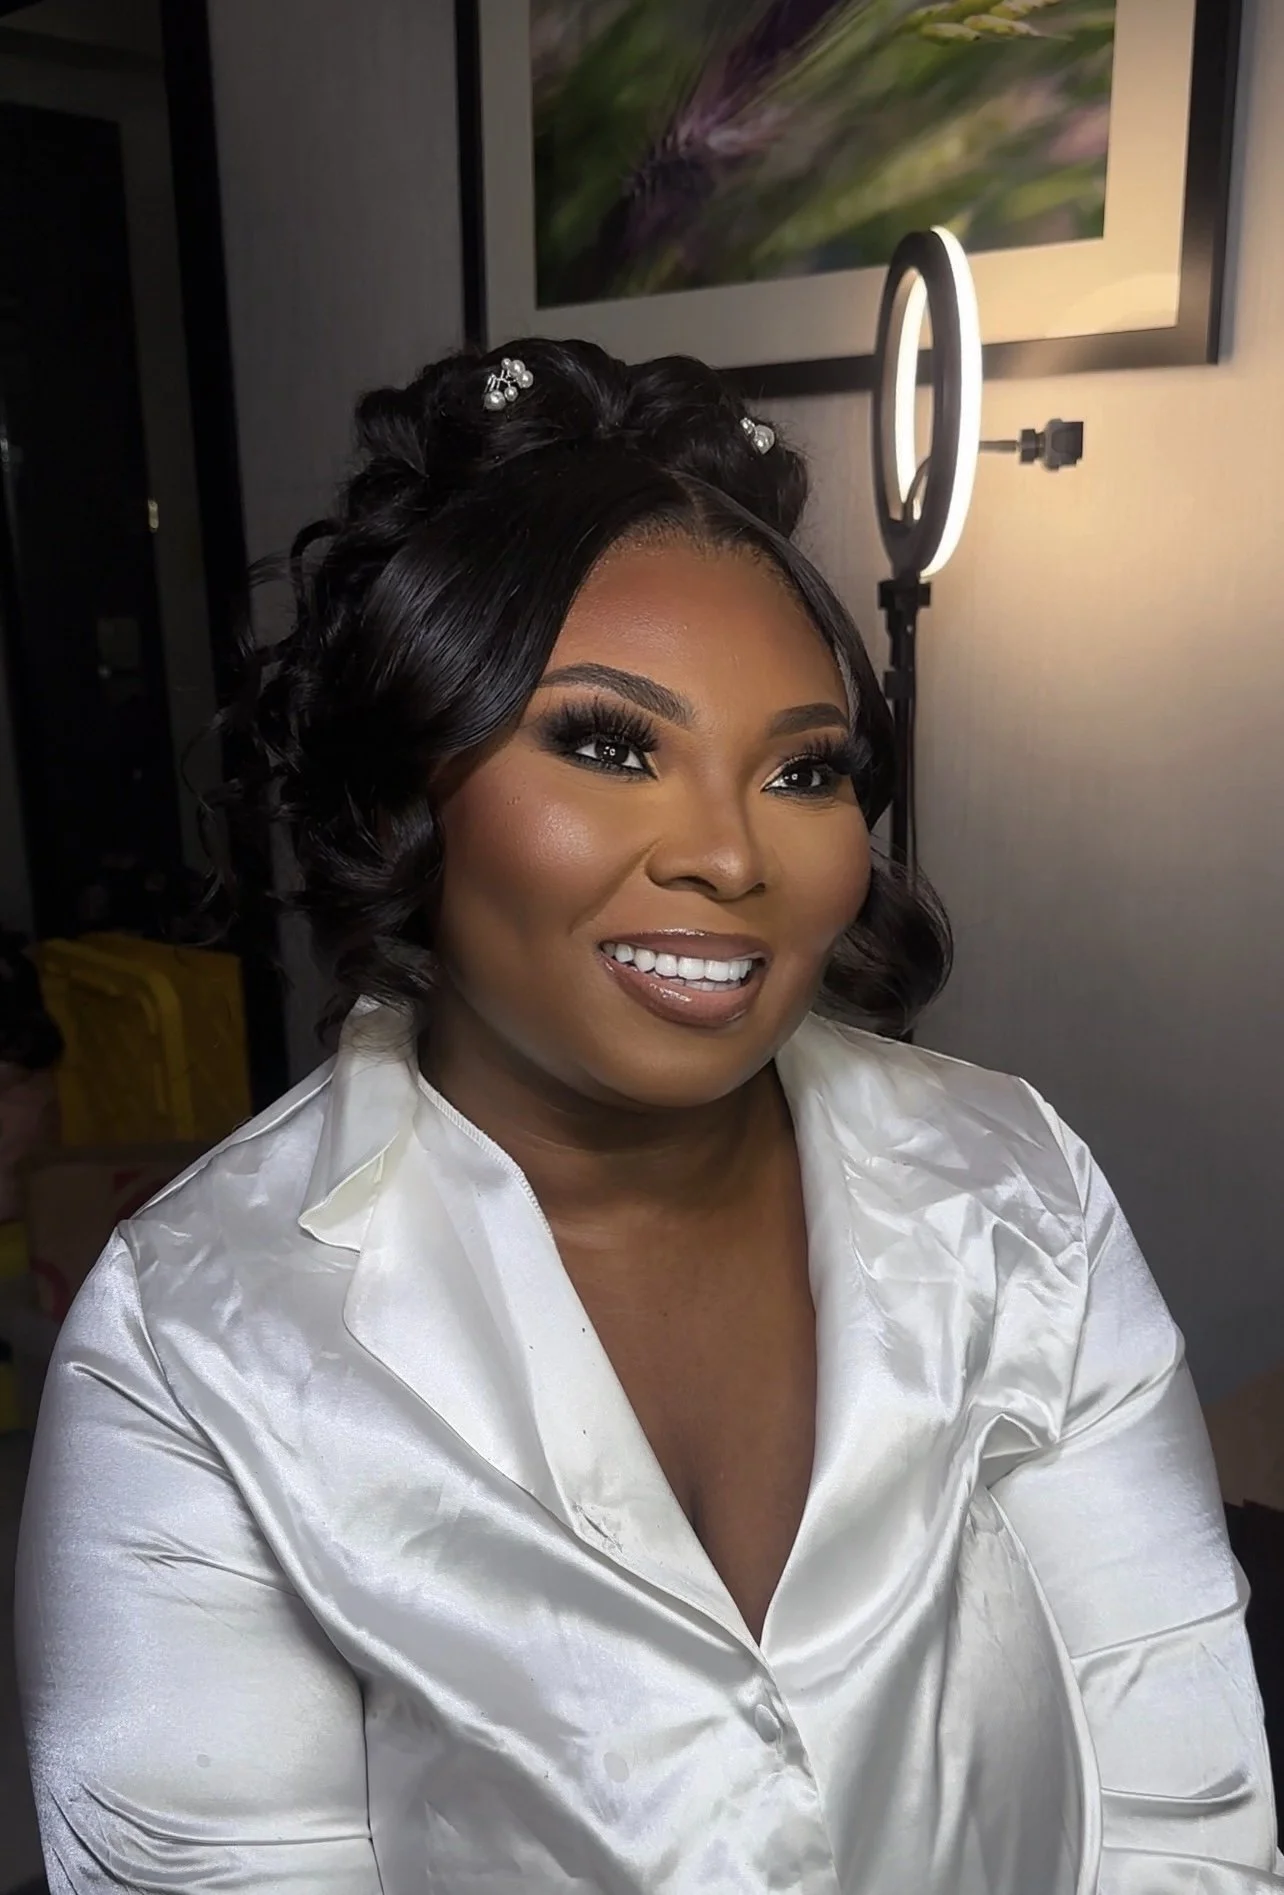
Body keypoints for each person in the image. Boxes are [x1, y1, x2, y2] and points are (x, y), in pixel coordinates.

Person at [15, 338, 1281, 1894]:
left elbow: (1183, 1813)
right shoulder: (197, 1339)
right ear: (411, 786)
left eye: (804, 772)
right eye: (610, 744)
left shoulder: (1016, 1187)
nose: (731, 857)